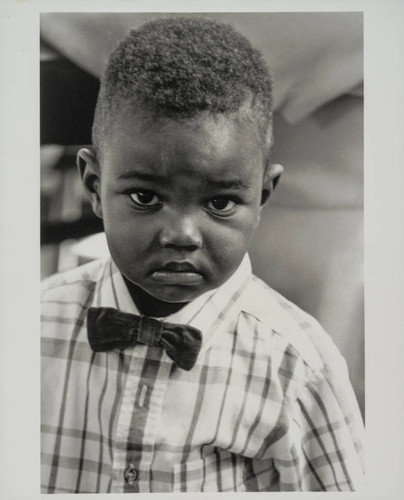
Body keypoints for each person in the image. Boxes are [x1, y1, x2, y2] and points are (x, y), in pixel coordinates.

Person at [41, 17, 364, 493]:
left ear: (264, 196)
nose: (181, 235)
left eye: (220, 202)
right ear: (93, 184)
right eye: (145, 198)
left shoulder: (299, 365)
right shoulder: (29, 326)